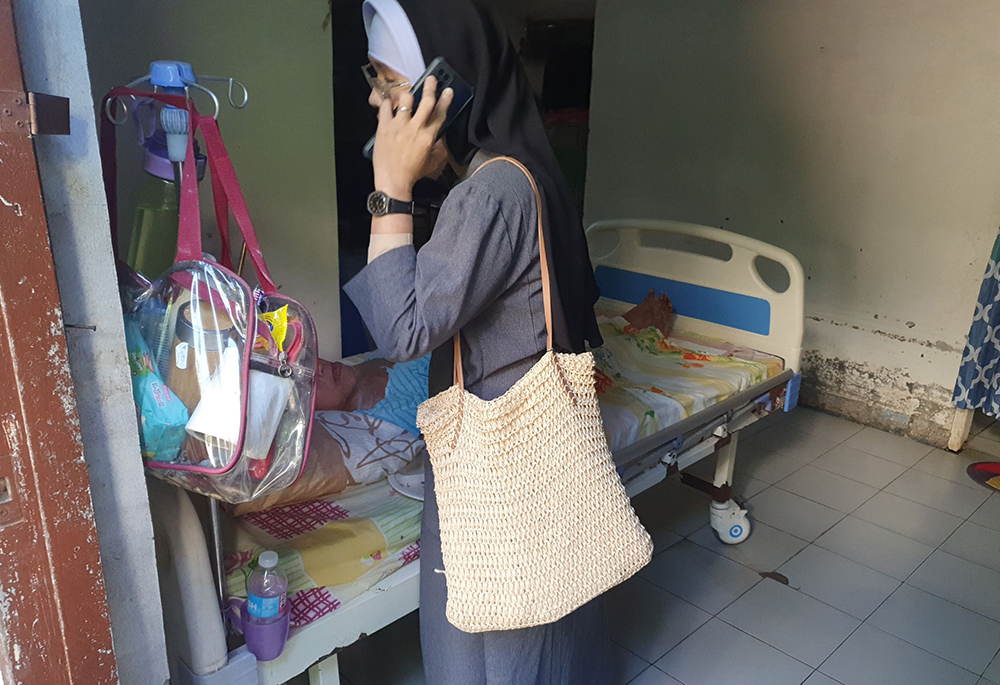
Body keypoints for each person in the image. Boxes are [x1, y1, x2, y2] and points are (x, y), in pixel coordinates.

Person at [341, 0, 613, 681]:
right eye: (375, 85)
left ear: (449, 86)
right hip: (524, 458)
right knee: (535, 621)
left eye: (390, 85)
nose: (381, 108)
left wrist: (389, 188)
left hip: (496, 466)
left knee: (491, 637)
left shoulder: (487, 196)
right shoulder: (520, 174)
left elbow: (401, 329)